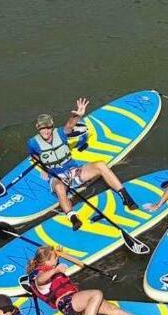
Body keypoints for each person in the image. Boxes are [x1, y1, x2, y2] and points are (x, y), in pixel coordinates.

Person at [27, 97, 138, 231]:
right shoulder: (33, 142)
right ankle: (73, 217)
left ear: (52, 126)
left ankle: (125, 196)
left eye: (48, 127)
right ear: (38, 128)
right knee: (59, 187)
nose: (45, 131)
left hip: (73, 171)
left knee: (101, 165)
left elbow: (69, 125)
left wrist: (78, 115)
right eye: (42, 128)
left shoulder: (61, 133)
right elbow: (33, 155)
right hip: (56, 177)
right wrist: (43, 169)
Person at [26, 245, 156, 315]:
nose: (58, 259)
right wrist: (55, 270)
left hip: (75, 300)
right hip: (66, 304)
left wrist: (60, 253)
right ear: (48, 261)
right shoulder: (39, 273)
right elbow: (40, 280)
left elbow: (74, 262)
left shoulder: (50, 265)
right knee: (96, 294)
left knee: (112, 309)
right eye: (55, 257)